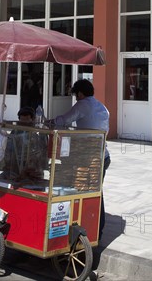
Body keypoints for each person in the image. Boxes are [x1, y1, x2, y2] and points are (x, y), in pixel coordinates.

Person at [50, 79, 110, 239]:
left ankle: (86, 225)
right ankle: (97, 227)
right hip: (103, 155)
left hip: (88, 158)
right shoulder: (102, 107)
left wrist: (50, 122)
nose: (76, 98)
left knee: (82, 189)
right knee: (96, 191)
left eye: (76, 95)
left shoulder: (83, 104)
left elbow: (65, 119)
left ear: (81, 94)